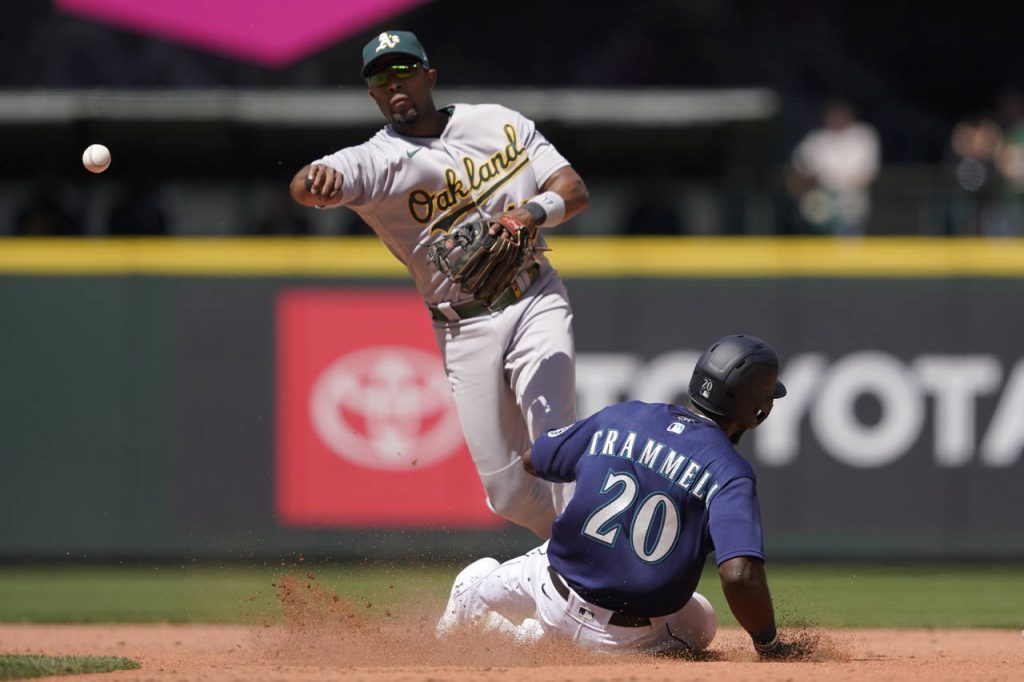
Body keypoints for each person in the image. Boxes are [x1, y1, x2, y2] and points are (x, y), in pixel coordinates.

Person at [289, 31, 590, 538]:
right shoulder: (376, 161)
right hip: (462, 328)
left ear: (429, 76)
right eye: (381, 76)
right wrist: (314, 180)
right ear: (372, 94)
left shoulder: (497, 122)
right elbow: (307, 183)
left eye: (404, 70)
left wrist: (529, 212)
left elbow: (573, 190)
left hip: (533, 296)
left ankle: (596, 569)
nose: (394, 83)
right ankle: (580, 550)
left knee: (555, 440)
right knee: (508, 494)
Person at [436, 335, 807, 660]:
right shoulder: (729, 472)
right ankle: (538, 641)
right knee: (702, 620)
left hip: (554, 590)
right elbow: (739, 575)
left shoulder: (625, 416)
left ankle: (496, 617)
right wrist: (769, 646)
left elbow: (534, 460)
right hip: (631, 637)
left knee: (498, 573)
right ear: (758, 410)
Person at [787, 96, 880, 236]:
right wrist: (806, 180)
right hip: (819, 203)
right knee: (813, 212)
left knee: (848, 226)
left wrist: (828, 179)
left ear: (849, 115)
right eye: (832, 114)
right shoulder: (816, 139)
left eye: (840, 114)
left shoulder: (862, 135)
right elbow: (797, 174)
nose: (836, 118)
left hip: (851, 203)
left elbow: (866, 174)